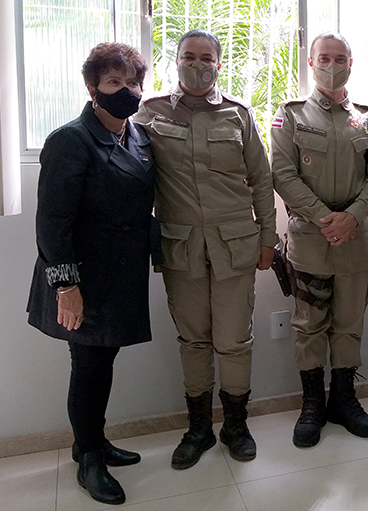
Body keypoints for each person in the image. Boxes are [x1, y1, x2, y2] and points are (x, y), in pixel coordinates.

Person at [133, 29, 276, 467]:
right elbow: (127, 169)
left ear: (219, 63)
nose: (197, 65)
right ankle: (198, 429)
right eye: (189, 57)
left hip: (235, 245)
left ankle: (236, 426)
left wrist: (268, 239)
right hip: (181, 247)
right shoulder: (150, 112)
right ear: (175, 60)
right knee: (193, 340)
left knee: (234, 341)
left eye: (206, 58)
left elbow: (262, 180)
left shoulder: (238, 114)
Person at [26, 43, 154, 505]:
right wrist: (66, 286)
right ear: (92, 88)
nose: (126, 91)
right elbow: (52, 222)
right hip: (80, 277)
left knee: (103, 362)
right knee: (89, 366)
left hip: (122, 273)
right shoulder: (70, 140)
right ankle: (90, 462)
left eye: (132, 82)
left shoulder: (139, 138)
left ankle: (90, 442)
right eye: (114, 82)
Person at [271, 32, 368, 447]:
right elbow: (282, 174)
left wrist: (351, 217)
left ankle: (343, 399)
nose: (332, 65)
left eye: (340, 59)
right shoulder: (291, 115)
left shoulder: (367, 118)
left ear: (350, 64)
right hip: (309, 238)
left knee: (349, 323)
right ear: (311, 62)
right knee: (309, 324)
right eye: (324, 58)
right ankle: (312, 404)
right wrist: (326, 218)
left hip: (354, 237)